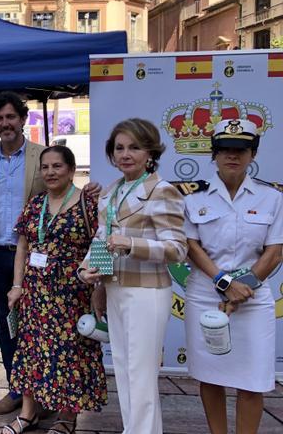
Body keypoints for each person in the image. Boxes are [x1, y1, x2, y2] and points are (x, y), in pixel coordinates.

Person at [80, 118, 187, 434]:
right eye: (119, 148)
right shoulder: (111, 191)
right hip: (115, 290)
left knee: (141, 376)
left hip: (147, 293)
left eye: (135, 147)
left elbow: (177, 249)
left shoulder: (162, 191)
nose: (125, 154)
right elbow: (102, 239)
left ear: (150, 153)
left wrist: (131, 244)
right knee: (125, 372)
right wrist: (90, 271)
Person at [182, 119, 282, 434]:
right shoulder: (192, 197)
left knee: (253, 379)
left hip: (253, 298)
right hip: (206, 295)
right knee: (210, 375)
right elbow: (191, 246)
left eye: (241, 149)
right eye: (225, 149)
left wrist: (242, 289)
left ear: (253, 154)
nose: (232, 156)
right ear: (214, 154)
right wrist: (225, 284)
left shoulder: (272, 197)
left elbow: (274, 252)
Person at [4, 145, 106, 434]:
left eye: (57, 166)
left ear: (72, 170)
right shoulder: (35, 203)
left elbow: (101, 245)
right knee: (30, 350)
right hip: (35, 293)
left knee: (70, 354)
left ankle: (66, 418)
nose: (50, 172)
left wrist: (99, 288)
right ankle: (28, 414)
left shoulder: (89, 203)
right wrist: (17, 286)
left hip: (73, 293)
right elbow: (22, 247)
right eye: (45, 167)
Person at [0, 91, 47, 415]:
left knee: (40, 326)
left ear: (23, 119)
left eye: (10, 117)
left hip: (36, 257)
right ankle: (16, 387)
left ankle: (43, 392)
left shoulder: (43, 156)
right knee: (8, 324)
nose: (5, 123)